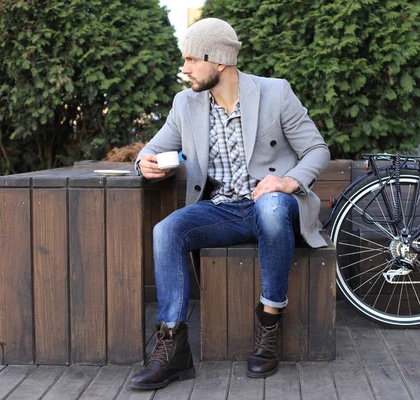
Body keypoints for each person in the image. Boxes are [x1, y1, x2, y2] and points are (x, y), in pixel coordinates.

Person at [130, 17, 330, 390]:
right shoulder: (186, 104)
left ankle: (269, 324)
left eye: (191, 59)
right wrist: (144, 162)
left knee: (270, 206)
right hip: (222, 210)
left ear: (219, 60)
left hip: (272, 207)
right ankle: (173, 345)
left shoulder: (275, 93)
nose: (184, 69)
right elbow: (151, 149)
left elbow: (317, 149)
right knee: (166, 230)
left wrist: (288, 181)